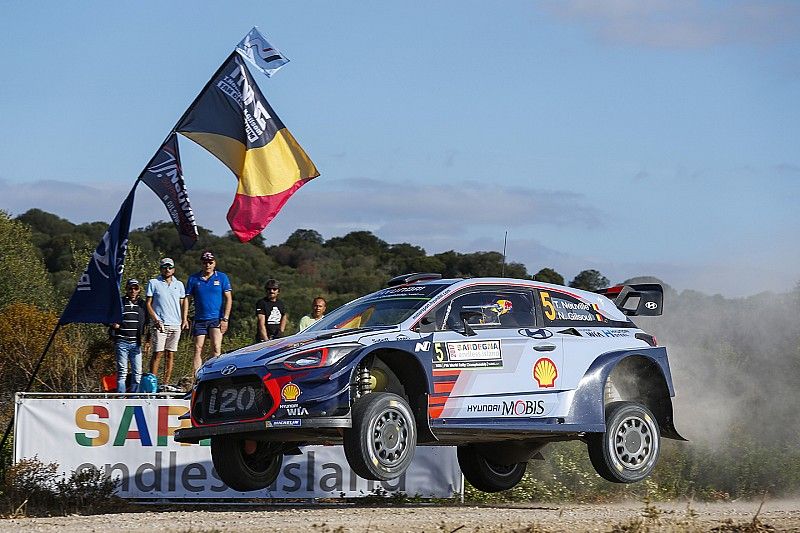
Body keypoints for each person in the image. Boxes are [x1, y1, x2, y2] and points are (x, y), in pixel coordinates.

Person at [183, 250, 232, 374]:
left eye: (210, 262)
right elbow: (187, 299)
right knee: (198, 348)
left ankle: (215, 374)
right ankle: (197, 376)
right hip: (199, 319)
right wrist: (184, 318)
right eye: (205, 262)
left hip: (216, 318)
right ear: (201, 263)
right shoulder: (193, 279)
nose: (208, 265)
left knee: (216, 348)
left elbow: (229, 298)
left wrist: (225, 318)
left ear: (214, 263)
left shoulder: (221, 277)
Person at [146, 257, 186, 386]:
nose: (167, 270)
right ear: (160, 269)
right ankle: (153, 383)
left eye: (169, 267)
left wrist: (184, 319)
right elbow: (148, 304)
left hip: (175, 323)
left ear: (173, 269)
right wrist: (155, 319)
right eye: (164, 267)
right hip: (160, 323)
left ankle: (165, 384)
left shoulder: (179, 284)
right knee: (158, 353)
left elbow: (182, 302)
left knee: (170, 354)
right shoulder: (153, 282)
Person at [109, 278, 148, 393]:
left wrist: (148, 340)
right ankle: (121, 397)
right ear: (126, 289)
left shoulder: (142, 304)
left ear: (139, 290)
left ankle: (134, 397)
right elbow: (107, 316)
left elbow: (147, 322)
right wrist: (112, 324)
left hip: (136, 343)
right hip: (122, 342)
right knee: (122, 372)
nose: (133, 291)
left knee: (137, 373)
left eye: (135, 288)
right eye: (130, 288)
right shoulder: (120, 302)